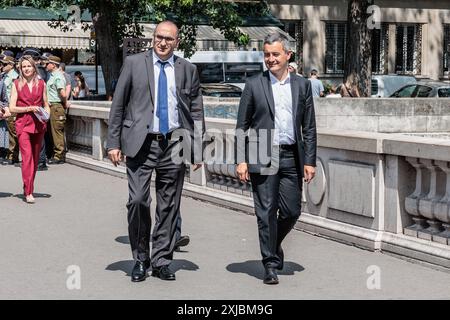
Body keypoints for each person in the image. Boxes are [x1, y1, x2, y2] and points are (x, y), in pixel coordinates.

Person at [107, 20, 204, 282]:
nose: (163, 42)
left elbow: (195, 111)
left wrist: (195, 149)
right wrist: (113, 142)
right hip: (141, 142)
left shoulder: (188, 69)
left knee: (169, 205)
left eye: (169, 39)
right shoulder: (134, 64)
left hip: (174, 143)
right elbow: (118, 105)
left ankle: (161, 260)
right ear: (153, 38)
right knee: (138, 200)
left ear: (177, 42)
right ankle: (140, 258)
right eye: (159, 37)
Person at [236, 32, 317, 285]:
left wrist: (310, 160)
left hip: (292, 155)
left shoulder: (302, 85)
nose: (270, 59)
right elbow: (242, 125)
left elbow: (309, 127)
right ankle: (269, 263)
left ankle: (275, 243)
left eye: (275, 54)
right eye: (267, 54)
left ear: (287, 55)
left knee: (292, 210)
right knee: (266, 211)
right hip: (262, 152)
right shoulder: (254, 84)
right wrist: (241, 160)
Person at [8, 55, 50, 204]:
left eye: (28, 66)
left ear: (34, 67)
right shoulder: (16, 84)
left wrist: (47, 114)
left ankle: (28, 185)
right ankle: (28, 192)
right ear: (20, 68)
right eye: (23, 66)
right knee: (27, 158)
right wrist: (28, 108)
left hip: (39, 124)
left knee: (35, 158)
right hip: (23, 124)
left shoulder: (41, 83)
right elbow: (12, 107)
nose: (26, 69)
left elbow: (46, 103)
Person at [45, 55, 68, 164]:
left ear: (53, 65)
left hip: (56, 106)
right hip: (52, 106)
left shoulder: (58, 76)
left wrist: (65, 102)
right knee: (52, 131)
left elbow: (62, 93)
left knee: (56, 132)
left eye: (48, 63)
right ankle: (56, 154)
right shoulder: (53, 75)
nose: (46, 65)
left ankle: (59, 156)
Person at [1, 53, 19, 166]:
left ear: (11, 65)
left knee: (13, 133)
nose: (2, 66)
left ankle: (13, 156)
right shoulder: (5, 76)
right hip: (5, 106)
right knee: (9, 133)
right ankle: (9, 154)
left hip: (12, 107)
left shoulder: (14, 77)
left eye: (5, 64)